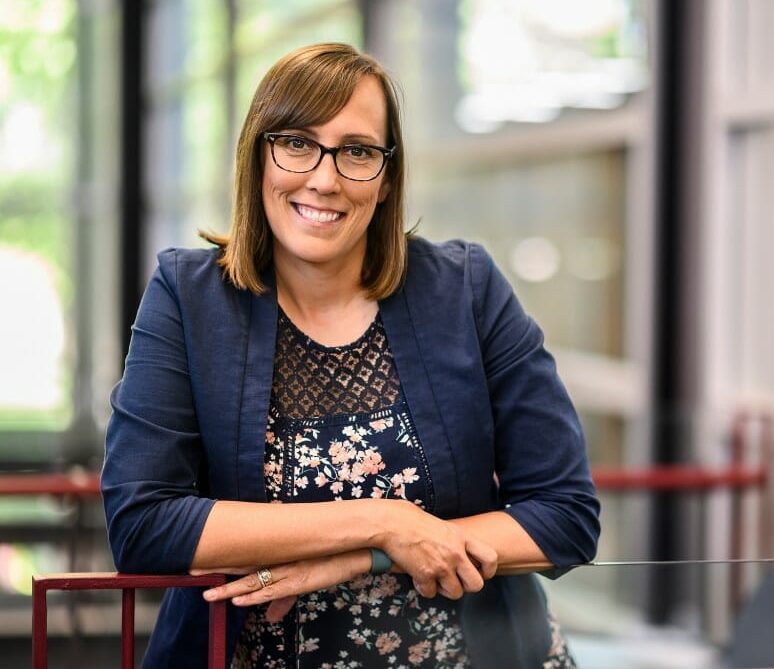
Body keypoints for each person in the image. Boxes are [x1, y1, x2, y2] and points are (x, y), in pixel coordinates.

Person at [101, 42, 600, 669]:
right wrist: (380, 522)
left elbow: (565, 517)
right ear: (258, 158)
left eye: (358, 151)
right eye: (297, 143)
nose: (325, 178)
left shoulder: (466, 288)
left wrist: (364, 555)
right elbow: (144, 525)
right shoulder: (188, 298)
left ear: (387, 177)